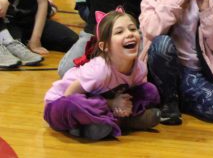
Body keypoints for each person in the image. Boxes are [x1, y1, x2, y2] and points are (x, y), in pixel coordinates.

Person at [43, 10, 161, 140]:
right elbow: (69, 97)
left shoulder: (139, 68)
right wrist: (112, 104)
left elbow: (135, 94)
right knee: (76, 104)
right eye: (119, 32)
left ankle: (109, 123)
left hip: (101, 103)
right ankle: (119, 123)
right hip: (59, 105)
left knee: (150, 91)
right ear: (104, 46)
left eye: (132, 29)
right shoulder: (100, 69)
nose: (129, 34)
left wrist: (125, 105)